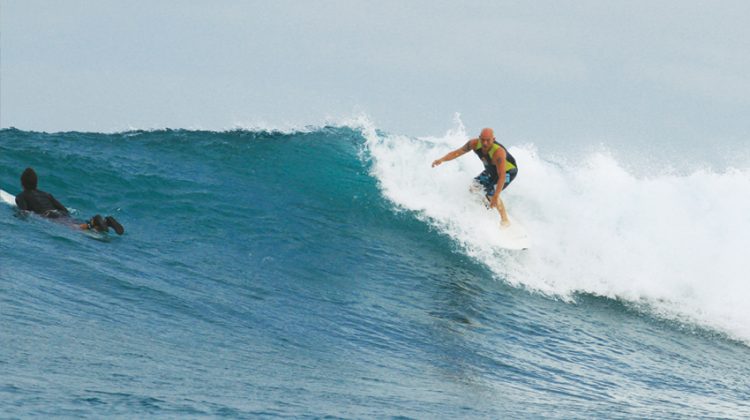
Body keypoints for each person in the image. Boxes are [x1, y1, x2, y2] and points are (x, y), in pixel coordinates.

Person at [431, 128, 518, 226]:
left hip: (508, 171)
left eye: (488, 140)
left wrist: (496, 195)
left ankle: (505, 220)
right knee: (473, 187)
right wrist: (442, 159)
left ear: (493, 139)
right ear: (479, 138)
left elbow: (501, 176)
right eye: (483, 140)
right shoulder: (474, 144)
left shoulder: (498, 152)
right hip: (491, 170)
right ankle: (486, 209)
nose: (485, 143)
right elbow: (457, 153)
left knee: (491, 194)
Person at [14, 167, 124, 235]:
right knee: (74, 222)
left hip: (49, 216)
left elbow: (23, 212)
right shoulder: (46, 194)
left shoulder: (21, 196)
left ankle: (95, 222)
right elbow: (64, 209)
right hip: (60, 213)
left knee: (74, 228)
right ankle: (106, 222)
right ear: (36, 182)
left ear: (22, 182)